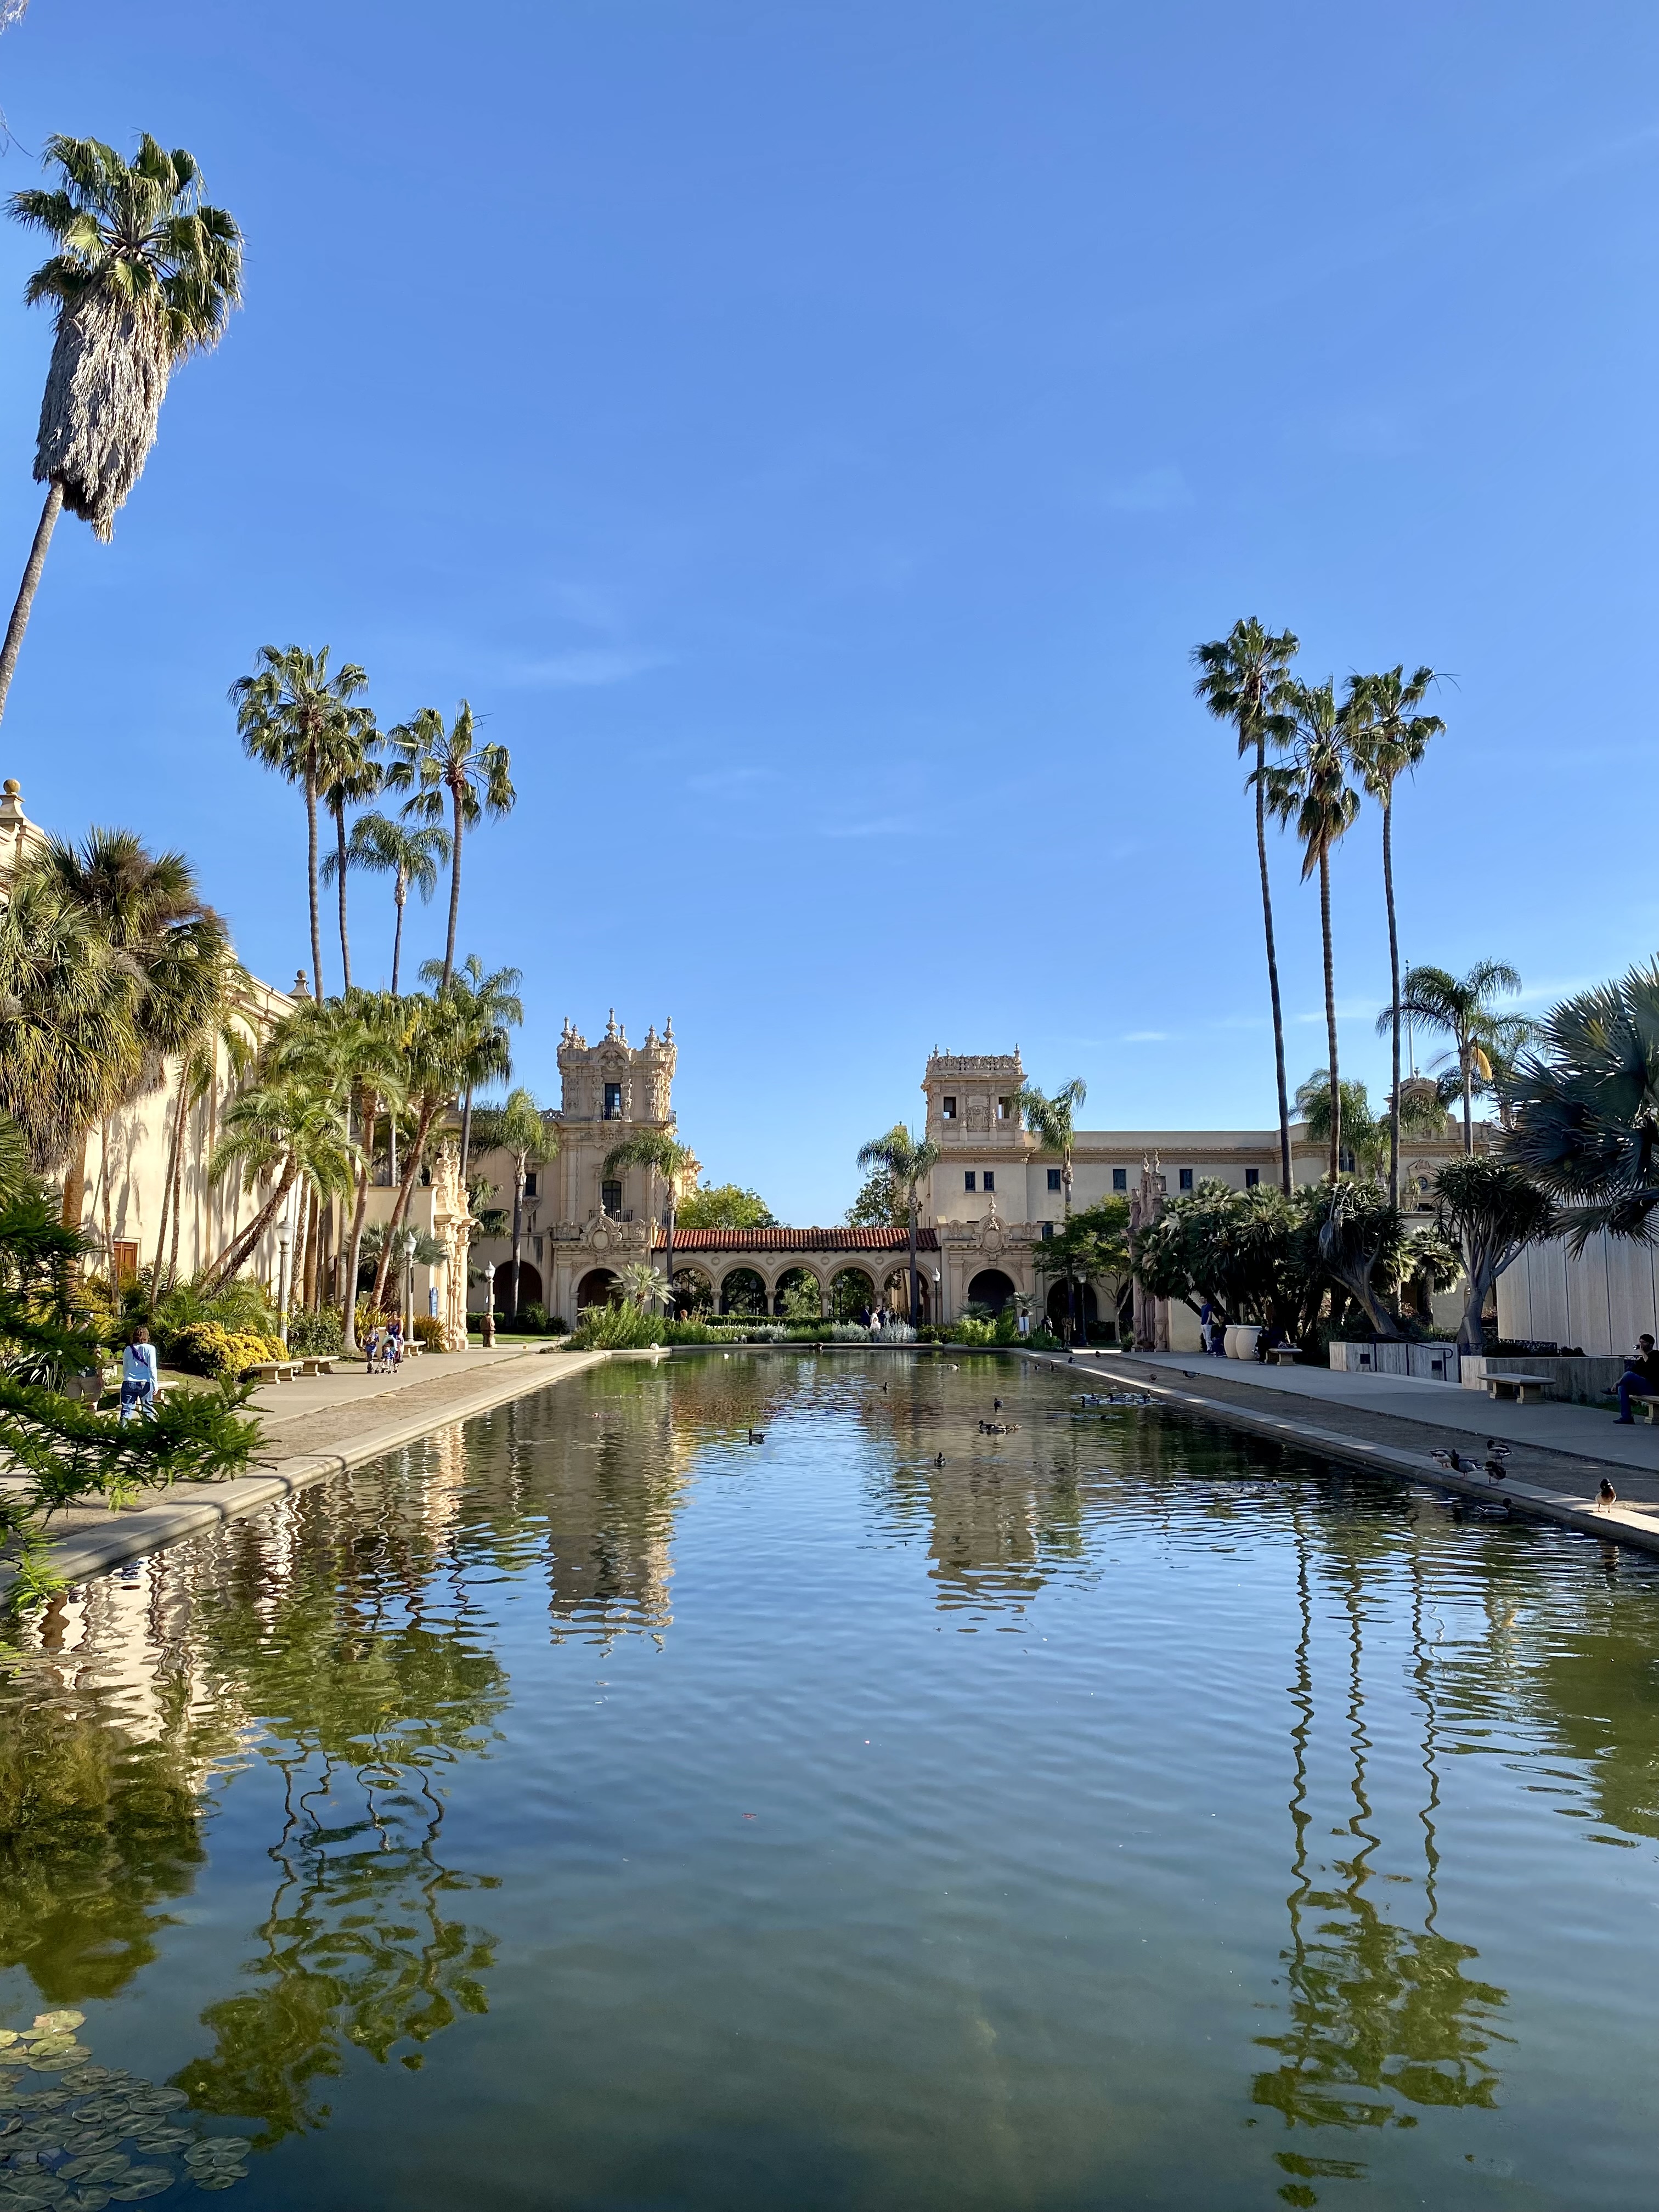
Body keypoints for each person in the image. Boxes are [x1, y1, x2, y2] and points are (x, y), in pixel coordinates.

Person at [1614, 1333, 1659, 1423]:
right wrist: (1617, 1383)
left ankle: (1612, 1390)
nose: (1641, 1345)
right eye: (1640, 1342)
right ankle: (1627, 1418)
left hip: (1655, 1387)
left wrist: (1642, 1353)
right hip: (1645, 1387)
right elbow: (1634, 1372)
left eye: (1644, 1343)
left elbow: (1651, 1366)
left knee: (1629, 1374)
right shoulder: (1641, 1360)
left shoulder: (1657, 1355)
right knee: (1622, 1387)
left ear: (1651, 1345)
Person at [120, 1325, 159, 1423]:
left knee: (126, 1409)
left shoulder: (128, 1349)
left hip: (128, 1381)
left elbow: (125, 1367)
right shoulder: (150, 1349)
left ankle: (122, 1433)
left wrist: (127, 1377)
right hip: (145, 1382)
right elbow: (152, 1367)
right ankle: (147, 1432)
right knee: (147, 1409)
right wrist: (155, 1384)